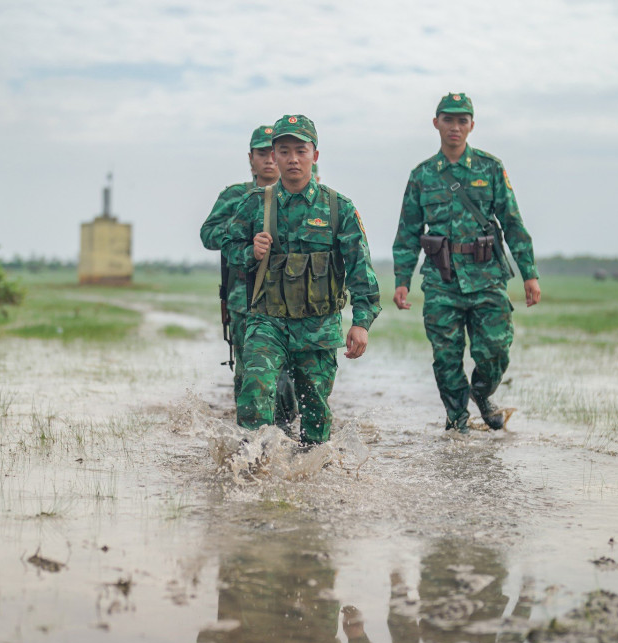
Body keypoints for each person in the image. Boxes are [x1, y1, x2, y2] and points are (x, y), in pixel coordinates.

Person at [223, 115, 380, 446]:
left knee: (315, 415)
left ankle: (310, 480)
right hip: (267, 320)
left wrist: (361, 322)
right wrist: (250, 252)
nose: (292, 159)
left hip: (318, 327)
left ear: (315, 155)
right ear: (275, 156)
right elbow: (228, 246)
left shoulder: (338, 208)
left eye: (300, 150)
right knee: (254, 392)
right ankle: (257, 469)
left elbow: (360, 270)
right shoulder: (255, 204)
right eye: (283, 151)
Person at [392, 92, 541, 433]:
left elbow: (513, 223)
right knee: (446, 356)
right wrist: (403, 279)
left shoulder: (490, 168)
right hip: (441, 278)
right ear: (436, 124)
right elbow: (408, 231)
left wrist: (529, 274)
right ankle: (457, 420)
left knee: (495, 349)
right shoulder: (422, 175)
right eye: (448, 120)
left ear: (472, 125)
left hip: (487, 276)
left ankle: (482, 393)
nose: (455, 127)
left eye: (462, 120)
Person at [200, 126, 298, 426]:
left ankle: (282, 431)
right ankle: (253, 437)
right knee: (248, 372)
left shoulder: (297, 193)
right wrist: (243, 231)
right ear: (250, 159)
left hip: (289, 297)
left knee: (288, 373)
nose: (269, 160)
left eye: (273, 152)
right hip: (244, 299)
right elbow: (209, 235)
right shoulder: (235, 197)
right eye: (261, 153)